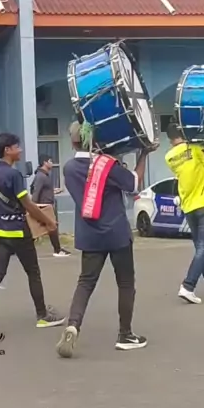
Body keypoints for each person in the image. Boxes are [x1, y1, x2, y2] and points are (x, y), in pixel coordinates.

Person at [56, 121, 150, 359]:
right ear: (95, 141)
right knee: (125, 283)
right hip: (117, 234)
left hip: (89, 234)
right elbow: (134, 183)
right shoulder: (107, 166)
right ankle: (125, 335)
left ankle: (73, 325)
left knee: (85, 282)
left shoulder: (69, 169)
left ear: (73, 143)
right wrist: (143, 154)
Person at [0, 132, 65, 333]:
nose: (20, 150)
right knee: (33, 272)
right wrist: (48, 221)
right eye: (17, 147)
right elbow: (27, 204)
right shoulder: (13, 175)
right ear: (8, 150)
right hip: (17, 231)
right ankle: (42, 315)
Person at [165, 121, 204, 304]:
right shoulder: (196, 149)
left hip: (189, 207)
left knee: (200, 247)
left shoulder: (169, 157)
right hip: (203, 203)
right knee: (203, 248)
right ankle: (188, 286)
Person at [31, 156, 70, 257]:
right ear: (45, 162)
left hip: (48, 205)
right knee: (49, 227)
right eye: (50, 161)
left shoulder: (45, 175)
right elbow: (36, 192)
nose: (52, 163)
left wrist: (54, 191)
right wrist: (33, 208)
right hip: (44, 207)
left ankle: (57, 249)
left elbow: (44, 190)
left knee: (51, 228)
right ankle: (57, 250)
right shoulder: (41, 176)